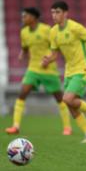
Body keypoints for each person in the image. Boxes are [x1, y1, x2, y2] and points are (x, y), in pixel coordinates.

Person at [42, 1, 86, 143]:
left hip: (82, 68)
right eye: (52, 12)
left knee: (67, 99)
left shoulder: (75, 27)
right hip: (69, 71)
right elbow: (55, 54)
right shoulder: (53, 32)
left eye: (57, 12)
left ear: (65, 13)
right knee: (70, 104)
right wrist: (47, 60)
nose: (54, 15)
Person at [5, 7, 72, 135]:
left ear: (33, 17)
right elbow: (25, 47)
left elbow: (56, 47)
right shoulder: (23, 32)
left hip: (49, 69)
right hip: (33, 69)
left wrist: (49, 60)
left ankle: (67, 127)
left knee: (59, 98)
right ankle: (16, 126)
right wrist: (22, 54)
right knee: (22, 93)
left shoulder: (46, 30)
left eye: (25, 16)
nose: (23, 18)